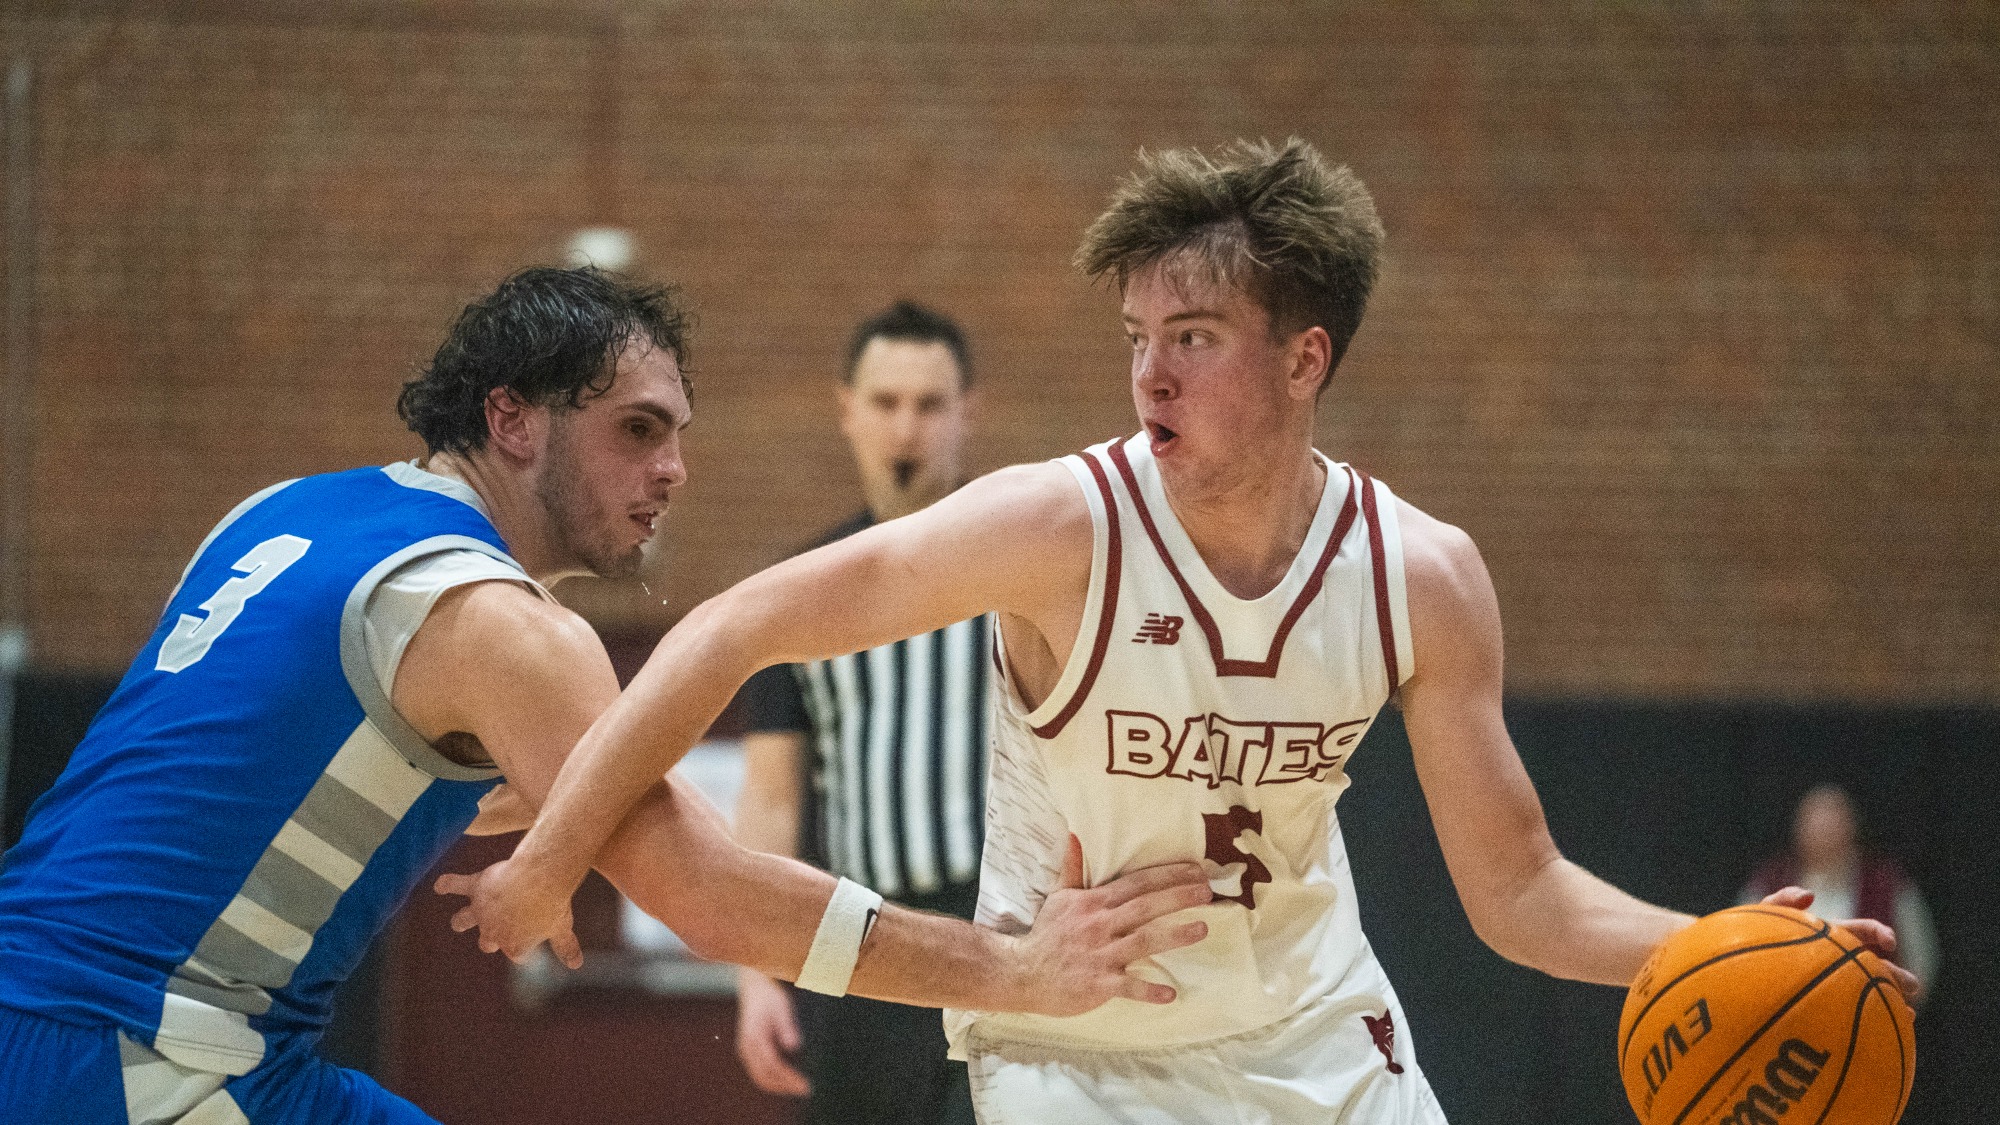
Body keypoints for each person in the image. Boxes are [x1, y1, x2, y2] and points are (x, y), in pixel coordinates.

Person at [446, 143, 1917, 1123]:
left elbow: (1519, 887)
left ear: (1304, 357)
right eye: (1135, 336)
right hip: (1067, 1041)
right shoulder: (1056, 524)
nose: (1149, 370)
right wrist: (557, 854)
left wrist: (1721, 945)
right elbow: (733, 629)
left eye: (1192, 337)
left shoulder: (1422, 575)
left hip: (1318, 1037)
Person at [0, 266, 1212, 1125]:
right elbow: (712, 898)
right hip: (140, 1059)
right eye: (637, 431)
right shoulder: (507, 628)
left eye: (678, 433)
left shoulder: (276, 515)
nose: (672, 470)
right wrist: (1017, 972)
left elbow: (252, 774)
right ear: (511, 420)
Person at [733, 300, 989, 1123]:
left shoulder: (1020, 570)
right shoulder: (802, 588)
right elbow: (773, 797)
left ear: (966, 415)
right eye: (885, 403)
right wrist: (752, 970)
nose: (906, 428)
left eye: (929, 404)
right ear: (847, 410)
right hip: (857, 944)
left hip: (999, 944)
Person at [1741, 783, 1938, 1001]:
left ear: (1852, 826)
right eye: (1815, 821)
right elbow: (1735, 963)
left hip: (1868, 1020)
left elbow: (1921, 968)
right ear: (1798, 828)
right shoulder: (1768, 882)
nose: (1824, 830)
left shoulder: (1887, 883)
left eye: (1833, 820)